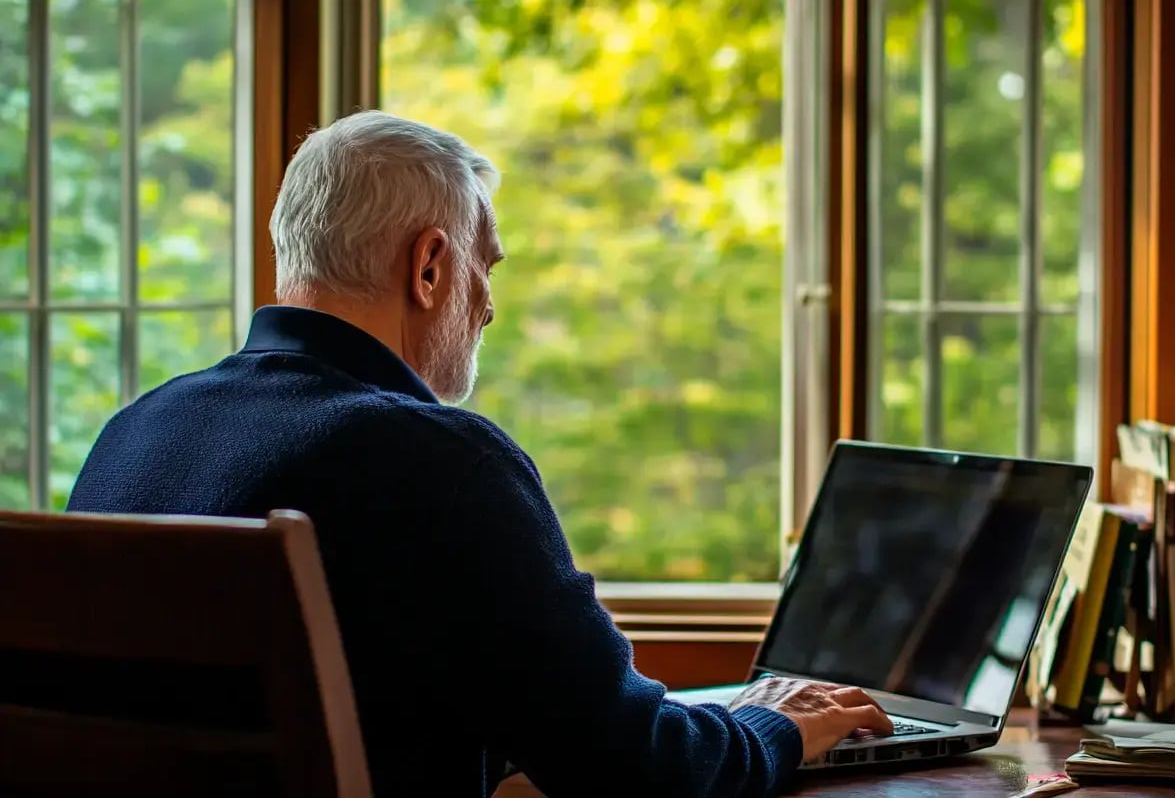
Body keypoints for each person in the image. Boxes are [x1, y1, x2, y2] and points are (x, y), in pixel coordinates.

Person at [67, 110, 892, 797]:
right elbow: (641, 770)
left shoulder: (132, 434)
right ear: (429, 267)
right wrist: (773, 724)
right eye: (484, 265)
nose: (489, 306)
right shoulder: (435, 463)